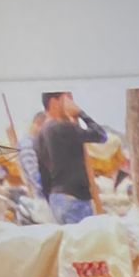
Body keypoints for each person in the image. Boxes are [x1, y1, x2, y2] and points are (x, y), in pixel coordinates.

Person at [34, 90, 108, 224]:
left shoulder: (39, 135)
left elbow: (43, 177)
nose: (71, 103)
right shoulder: (63, 127)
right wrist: (81, 113)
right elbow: (101, 135)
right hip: (75, 198)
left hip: (56, 199)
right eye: (67, 99)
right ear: (54, 102)